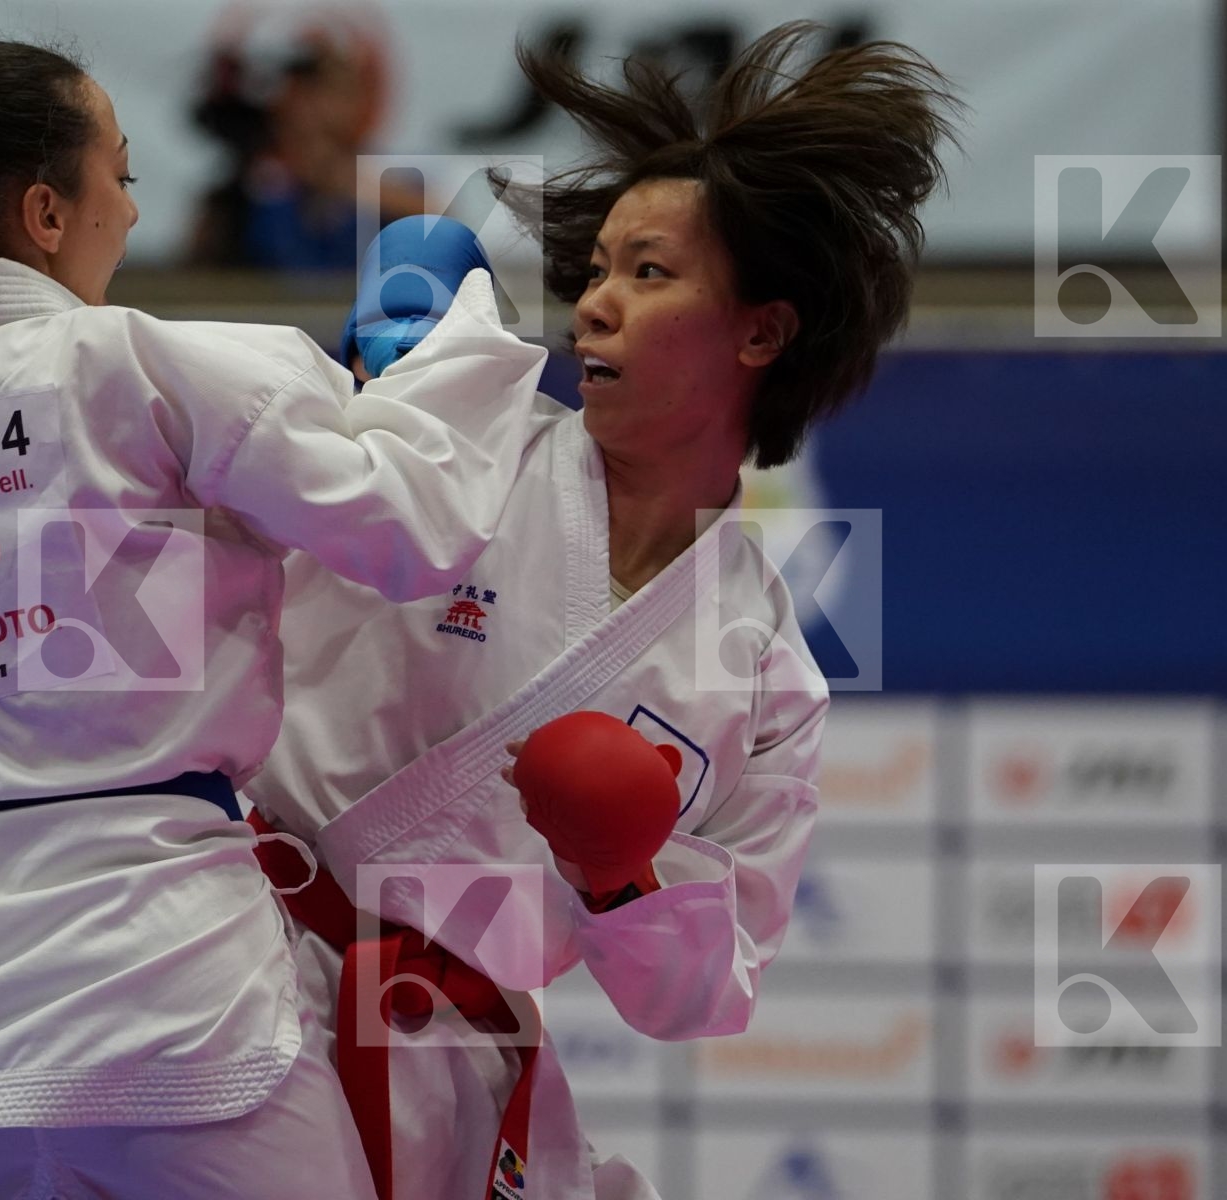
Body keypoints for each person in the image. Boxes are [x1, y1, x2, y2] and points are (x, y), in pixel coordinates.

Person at [0, 18, 544, 1200]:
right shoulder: (145, 364)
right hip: (160, 997)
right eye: (123, 177)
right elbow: (414, 522)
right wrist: (444, 337)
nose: (135, 214)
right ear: (48, 213)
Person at [244, 22, 961, 1200]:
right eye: (593, 272)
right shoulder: (461, 427)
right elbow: (213, 469)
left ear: (762, 331)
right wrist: (362, 393)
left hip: (438, 1045)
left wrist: (622, 873)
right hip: (234, 961)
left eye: (648, 274)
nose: (593, 308)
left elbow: (704, 992)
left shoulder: (763, 673)